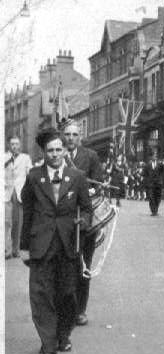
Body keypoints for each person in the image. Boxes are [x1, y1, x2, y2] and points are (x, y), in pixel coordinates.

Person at [20, 128, 92, 354]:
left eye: (58, 149)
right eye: (50, 150)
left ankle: (63, 335)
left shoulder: (77, 176)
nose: (54, 154)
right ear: (44, 152)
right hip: (41, 244)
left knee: (67, 294)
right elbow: (27, 213)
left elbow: (87, 208)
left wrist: (85, 221)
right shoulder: (33, 177)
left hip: (68, 243)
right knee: (41, 295)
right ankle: (48, 344)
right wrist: (23, 247)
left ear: (64, 150)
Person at [61, 121, 102, 327]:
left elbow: (98, 184)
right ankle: (64, 309)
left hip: (85, 220)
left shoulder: (91, 156)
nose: (70, 138)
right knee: (64, 265)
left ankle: (80, 310)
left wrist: (87, 192)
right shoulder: (56, 155)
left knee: (83, 265)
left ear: (80, 136)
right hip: (63, 220)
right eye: (67, 134)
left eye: (74, 134)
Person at [5, 136, 33, 259]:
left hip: (19, 193)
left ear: (20, 145)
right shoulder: (3, 157)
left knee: (18, 223)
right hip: (6, 193)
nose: (14, 146)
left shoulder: (25, 158)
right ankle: (6, 249)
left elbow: (30, 172)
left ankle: (16, 249)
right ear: (8, 145)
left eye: (16, 144)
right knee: (6, 222)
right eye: (12, 144)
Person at [143, 150, 164, 216]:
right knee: (151, 197)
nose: (154, 157)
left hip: (158, 184)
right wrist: (147, 182)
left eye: (155, 156)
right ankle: (153, 211)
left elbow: (163, 172)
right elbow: (144, 174)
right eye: (153, 156)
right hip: (150, 184)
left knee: (158, 197)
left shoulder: (160, 164)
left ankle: (156, 209)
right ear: (151, 157)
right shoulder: (147, 165)